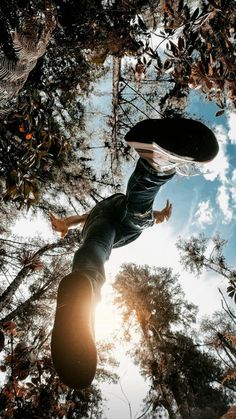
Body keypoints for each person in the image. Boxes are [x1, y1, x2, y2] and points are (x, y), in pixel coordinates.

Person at [50, 118, 219, 390]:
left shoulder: (99, 212)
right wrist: (64, 224)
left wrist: (159, 217)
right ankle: (155, 166)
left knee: (103, 242)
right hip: (114, 221)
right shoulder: (98, 212)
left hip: (109, 220)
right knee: (127, 224)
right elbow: (80, 219)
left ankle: (157, 162)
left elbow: (84, 220)